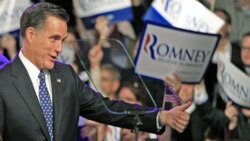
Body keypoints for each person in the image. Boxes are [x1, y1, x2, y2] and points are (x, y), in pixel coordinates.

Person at [0, 2, 191, 141]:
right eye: (53, 38)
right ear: (31, 34)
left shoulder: (65, 75)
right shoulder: (3, 82)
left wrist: (160, 116)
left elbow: (107, 109)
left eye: (62, 40)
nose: (59, 48)